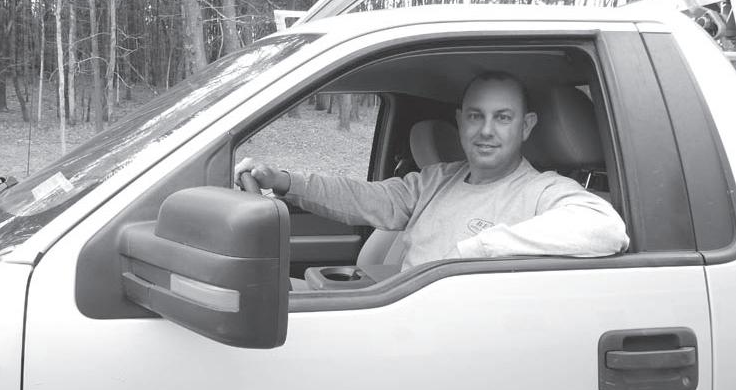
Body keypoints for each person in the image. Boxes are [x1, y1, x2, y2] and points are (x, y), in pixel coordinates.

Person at [234, 71, 629, 270]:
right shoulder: (439, 178)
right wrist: (285, 181)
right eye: (475, 116)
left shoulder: (541, 190)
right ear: (460, 122)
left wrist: (473, 252)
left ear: (525, 127)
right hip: (403, 319)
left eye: (503, 118)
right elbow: (368, 198)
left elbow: (606, 229)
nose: (486, 130)